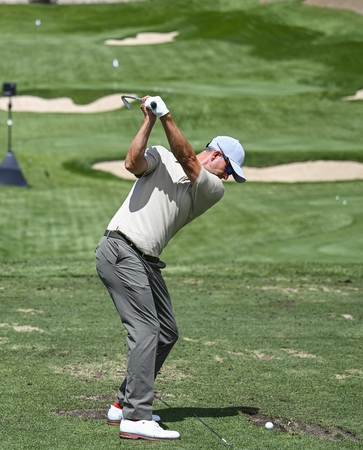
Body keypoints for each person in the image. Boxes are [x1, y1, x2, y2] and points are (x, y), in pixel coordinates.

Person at [95, 95, 246, 440]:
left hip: (145, 261)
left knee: (166, 332)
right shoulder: (161, 156)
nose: (228, 177)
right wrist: (149, 121)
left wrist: (166, 115)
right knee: (146, 330)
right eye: (229, 169)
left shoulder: (212, 188)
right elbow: (132, 163)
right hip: (121, 250)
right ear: (217, 155)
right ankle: (136, 417)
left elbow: (189, 159)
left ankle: (123, 404)